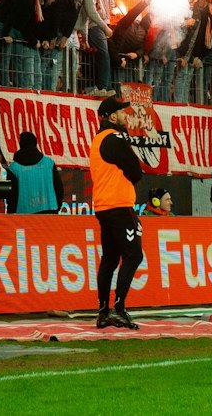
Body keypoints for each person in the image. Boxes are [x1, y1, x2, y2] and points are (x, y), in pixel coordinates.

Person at [87, 96, 147, 330]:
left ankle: (103, 312)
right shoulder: (115, 137)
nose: (126, 116)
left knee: (110, 258)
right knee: (133, 255)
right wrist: (132, 177)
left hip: (103, 205)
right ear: (112, 116)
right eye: (122, 112)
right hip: (119, 204)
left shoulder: (98, 139)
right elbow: (136, 170)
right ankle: (119, 308)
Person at [0, 0, 49, 89]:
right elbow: (14, 13)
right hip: (4, 23)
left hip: (14, 25)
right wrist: (5, 34)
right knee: (5, 57)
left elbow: (39, 9)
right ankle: (4, 87)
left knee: (17, 58)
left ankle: (18, 88)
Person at [5, 131, 62, 214]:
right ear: (36, 143)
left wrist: (12, 215)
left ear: (20, 144)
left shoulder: (14, 169)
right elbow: (59, 188)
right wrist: (56, 208)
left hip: (24, 215)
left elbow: (12, 197)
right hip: (50, 212)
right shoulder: (49, 163)